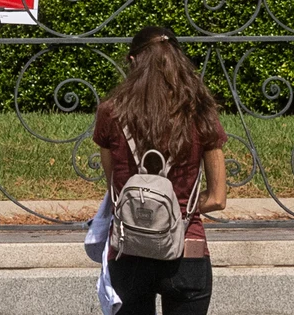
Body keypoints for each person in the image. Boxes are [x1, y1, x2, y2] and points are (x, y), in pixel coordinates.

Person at [91, 26, 228, 315]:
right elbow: (217, 198)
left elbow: (114, 187)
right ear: (179, 60)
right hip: (186, 249)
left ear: (131, 62)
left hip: (129, 251)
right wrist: (180, 211)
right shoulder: (200, 109)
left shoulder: (111, 112)